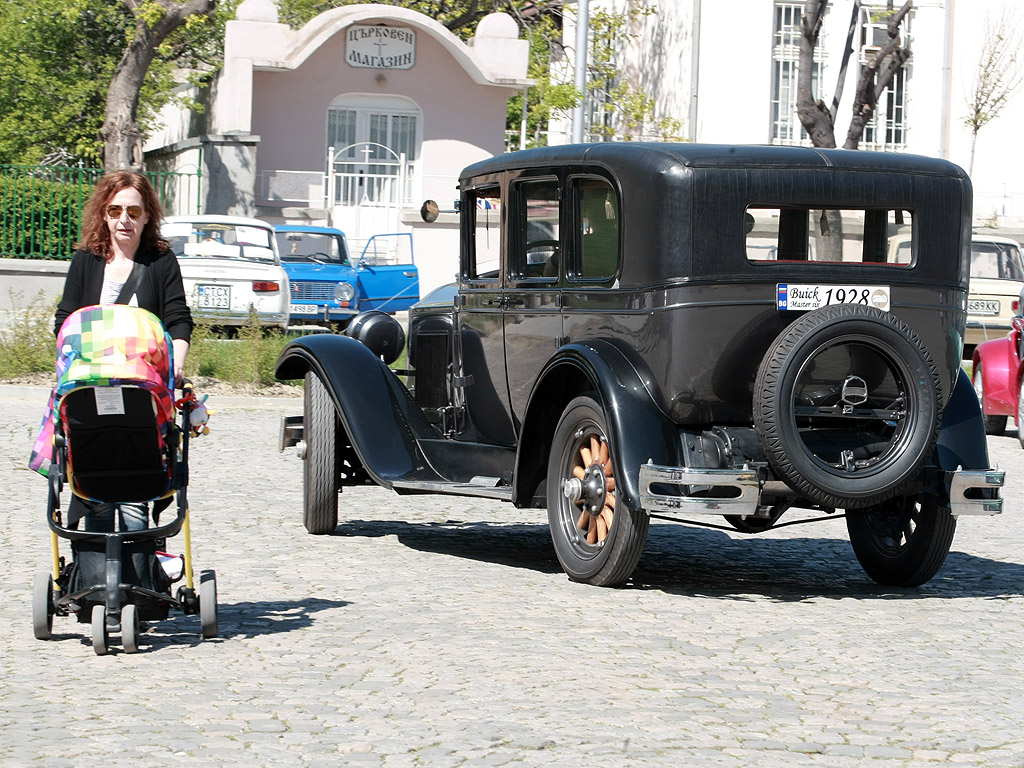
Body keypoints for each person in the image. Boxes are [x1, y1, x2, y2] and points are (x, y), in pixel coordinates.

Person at [54, 171, 194, 532]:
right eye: (115, 210)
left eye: (133, 212)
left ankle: (140, 552)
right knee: (91, 462)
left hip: (142, 386)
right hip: (90, 382)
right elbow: (66, 320)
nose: (124, 220)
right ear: (104, 213)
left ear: (147, 215)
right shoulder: (87, 259)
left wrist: (176, 363)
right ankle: (91, 555)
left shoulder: (160, 261)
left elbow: (178, 320)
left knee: (137, 468)